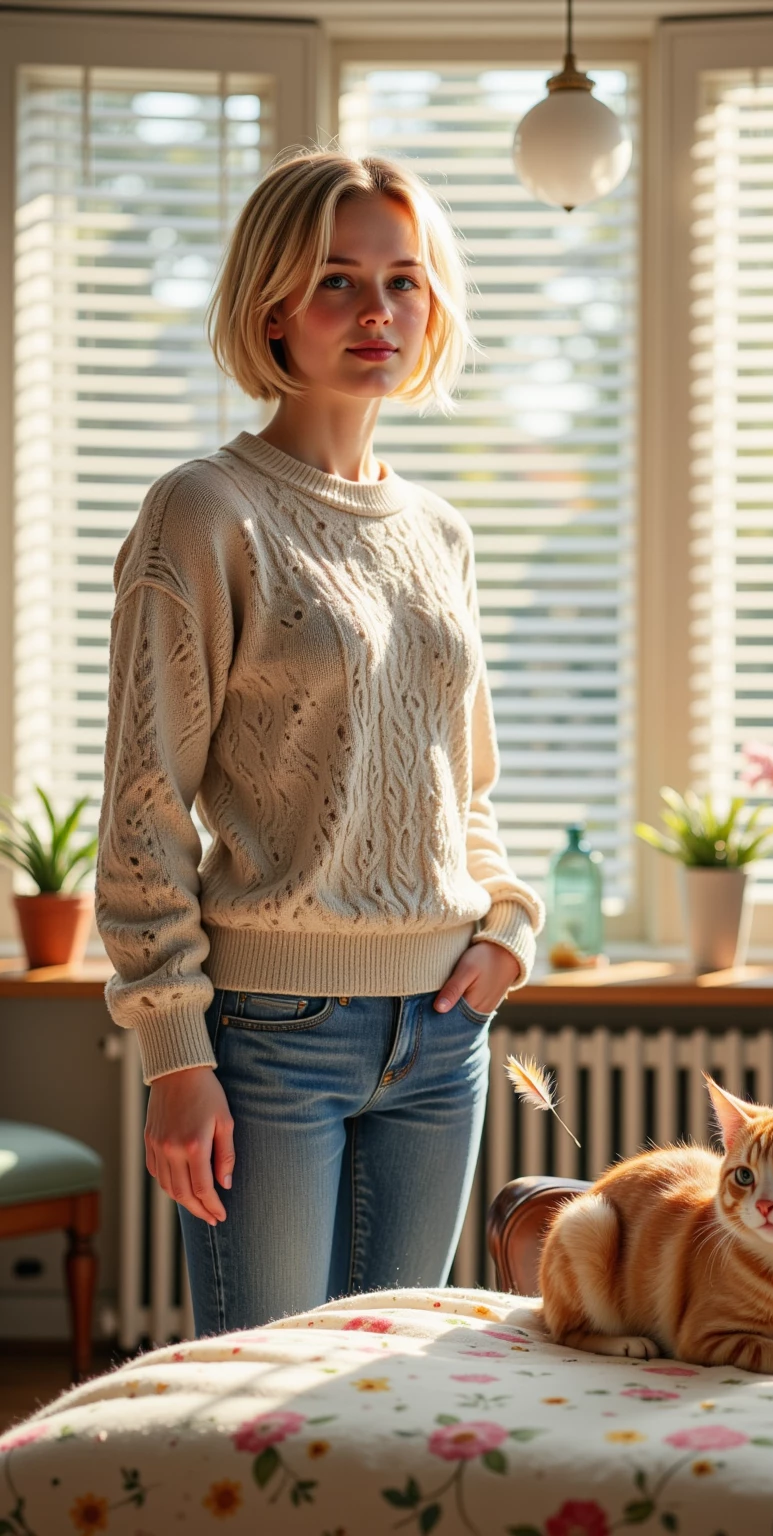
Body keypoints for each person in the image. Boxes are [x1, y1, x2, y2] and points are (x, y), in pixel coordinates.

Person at [94, 148, 544, 1336]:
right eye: (338, 281)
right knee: (260, 1410)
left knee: (391, 1394)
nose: (379, 312)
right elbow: (144, 807)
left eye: (404, 280)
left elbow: (463, 784)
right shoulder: (205, 510)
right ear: (272, 309)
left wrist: (505, 928)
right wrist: (175, 1056)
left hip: (442, 1033)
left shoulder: (437, 530)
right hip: (271, 1042)